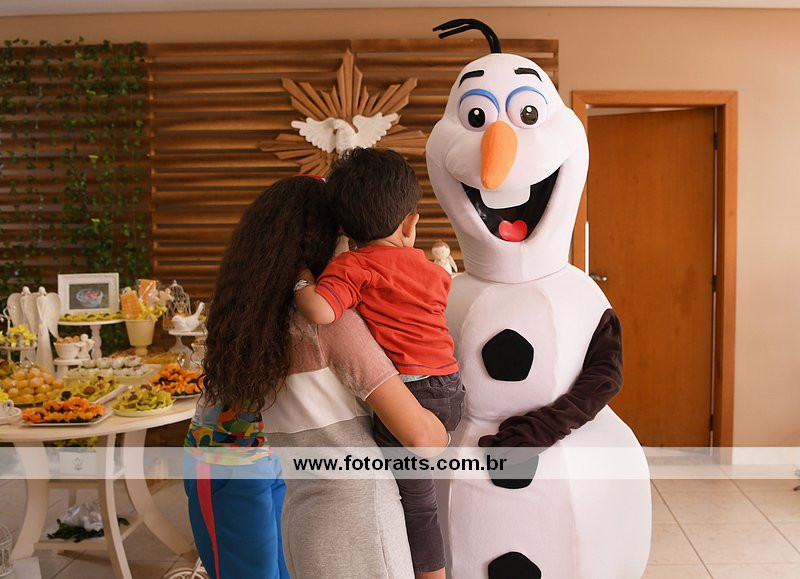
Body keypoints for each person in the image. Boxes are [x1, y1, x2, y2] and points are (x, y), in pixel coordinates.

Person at [186, 175, 448, 579]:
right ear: (329, 241)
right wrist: (445, 430)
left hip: (302, 517)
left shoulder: (258, 332)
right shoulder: (332, 326)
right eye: (349, 237)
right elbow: (419, 436)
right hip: (361, 520)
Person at [294, 148, 465, 579]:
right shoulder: (432, 270)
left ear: (344, 229)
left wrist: (301, 279)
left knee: (416, 504)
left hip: (410, 394)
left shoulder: (352, 267)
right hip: (450, 388)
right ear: (410, 223)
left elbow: (320, 311)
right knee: (426, 494)